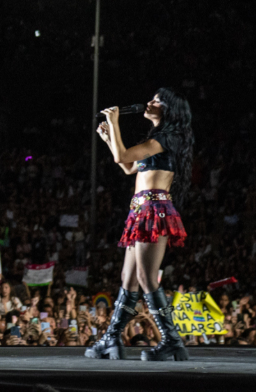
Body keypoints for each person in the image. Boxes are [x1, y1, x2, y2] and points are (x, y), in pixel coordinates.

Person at [84, 89, 193, 361]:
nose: (149, 102)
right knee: (128, 278)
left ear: (168, 110)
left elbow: (121, 157)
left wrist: (114, 123)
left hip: (153, 210)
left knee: (146, 277)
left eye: (157, 100)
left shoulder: (166, 138)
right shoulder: (155, 141)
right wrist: (109, 138)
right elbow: (128, 167)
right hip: (141, 211)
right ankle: (112, 339)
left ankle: (172, 341)